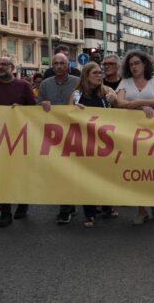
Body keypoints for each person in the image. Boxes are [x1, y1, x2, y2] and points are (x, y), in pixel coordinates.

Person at [0, 57, 36, 228]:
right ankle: (5, 212)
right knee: (2, 176)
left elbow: (33, 109)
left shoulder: (24, 86)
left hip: (21, 137)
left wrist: (20, 110)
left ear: (12, 67)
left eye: (3, 64)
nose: (0, 67)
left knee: (21, 173)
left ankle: (22, 203)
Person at [116, 50, 154, 225]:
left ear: (145, 64)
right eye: (131, 64)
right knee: (136, 171)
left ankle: (153, 199)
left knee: (151, 170)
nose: (134, 66)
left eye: (137, 63)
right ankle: (141, 209)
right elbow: (119, 103)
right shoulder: (125, 82)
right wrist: (140, 108)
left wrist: (138, 103)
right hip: (131, 134)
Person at [68, 62, 119, 227]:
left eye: (100, 72)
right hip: (85, 142)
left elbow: (121, 112)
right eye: (95, 73)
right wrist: (74, 109)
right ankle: (89, 214)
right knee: (87, 178)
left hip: (105, 142)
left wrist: (115, 101)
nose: (99, 75)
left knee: (106, 176)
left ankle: (107, 207)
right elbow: (66, 114)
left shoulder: (108, 92)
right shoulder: (76, 94)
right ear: (86, 76)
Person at [37, 54, 81, 226]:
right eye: (55, 63)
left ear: (68, 65)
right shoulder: (45, 84)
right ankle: (67, 206)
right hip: (54, 135)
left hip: (75, 132)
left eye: (62, 63)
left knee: (71, 171)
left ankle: (66, 208)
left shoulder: (78, 81)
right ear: (52, 66)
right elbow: (36, 104)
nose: (59, 66)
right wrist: (42, 104)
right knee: (62, 171)